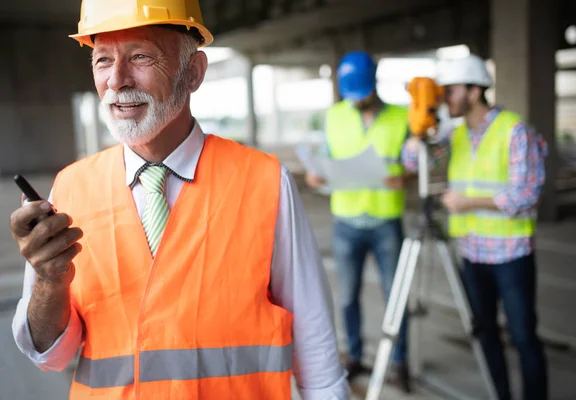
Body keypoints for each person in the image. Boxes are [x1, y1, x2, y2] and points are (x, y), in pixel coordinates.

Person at [9, 1, 350, 398]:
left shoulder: (265, 181)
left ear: (193, 72)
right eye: (102, 60)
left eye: (140, 57)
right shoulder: (70, 188)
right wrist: (49, 283)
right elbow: (49, 356)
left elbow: (317, 350)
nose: (117, 81)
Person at [403, 54, 549, 400]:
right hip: (471, 252)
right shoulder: (453, 134)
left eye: (449, 91)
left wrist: (470, 202)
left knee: (523, 336)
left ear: (473, 91)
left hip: (510, 253)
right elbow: (412, 161)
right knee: (483, 332)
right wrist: (419, 127)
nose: (444, 98)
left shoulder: (514, 131)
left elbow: (526, 194)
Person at [305, 51, 413, 392]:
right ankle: (354, 355)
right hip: (347, 221)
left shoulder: (402, 117)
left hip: (386, 219)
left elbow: (416, 161)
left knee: (395, 297)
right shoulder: (335, 116)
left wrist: (406, 177)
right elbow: (325, 156)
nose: (356, 100)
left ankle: (400, 362)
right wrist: (316, 174)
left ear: (374, 85)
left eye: (361, 94)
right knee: (348, 297)